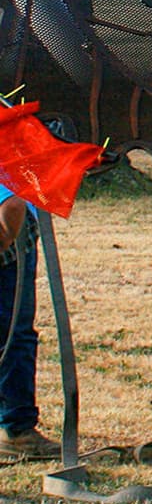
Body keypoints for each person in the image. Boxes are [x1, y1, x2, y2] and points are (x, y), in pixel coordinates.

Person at [0, 192, 57, 460]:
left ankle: (16, 426)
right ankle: (17, 429)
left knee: (13, 333)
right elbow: (12, 206)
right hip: (11, 223)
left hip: (15, 222)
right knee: (14, 334)